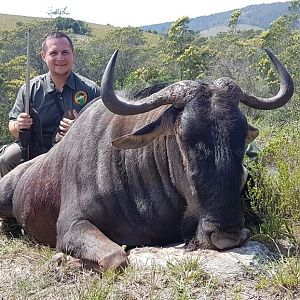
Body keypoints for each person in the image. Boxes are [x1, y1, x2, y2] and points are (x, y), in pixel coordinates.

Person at [0, 31, 101, 179]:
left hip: (76, 151)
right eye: (53, 53)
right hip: (35, 150)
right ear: (43, 56)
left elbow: (102, 130)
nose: (60, 58)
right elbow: (13, 126)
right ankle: (8, 202)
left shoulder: (91, 90)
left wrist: (80, 128)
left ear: (74, 54)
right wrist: (19, 125)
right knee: (5, 159)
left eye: (65, 52)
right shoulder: (30, 88)